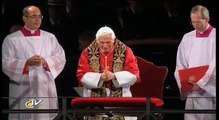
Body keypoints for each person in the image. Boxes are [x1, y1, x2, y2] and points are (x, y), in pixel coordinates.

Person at [2, 5, 66, 120]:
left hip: (44, 86)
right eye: (33, 17)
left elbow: (61, 57)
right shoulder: (11, 39)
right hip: (23, 86)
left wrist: (46, 61)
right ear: (24, 18)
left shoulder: (50, 37)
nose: (38, 20)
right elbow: (5, 62)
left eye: (39, 16)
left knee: (43, 115)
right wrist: (26, 63)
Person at [76, 26, 140, 120]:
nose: (105, 45)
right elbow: (81, 76)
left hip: (120, 100)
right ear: (97, 41)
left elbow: (134, 75)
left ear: (113, 40)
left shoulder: (126, 51)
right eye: (102, 42)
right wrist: (100, 77)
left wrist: (114, 76)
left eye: (108, 42)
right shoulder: (87, 53)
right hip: (95, 100)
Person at [174, 5, 216, 120]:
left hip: (208, 91)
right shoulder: (187, 37)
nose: (195, 25)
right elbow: (180, 63)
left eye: (198, 22)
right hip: (191, 89)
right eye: (193, 22)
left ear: (207, 19)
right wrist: (184, 83)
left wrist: (201, 83)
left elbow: (214, 65)